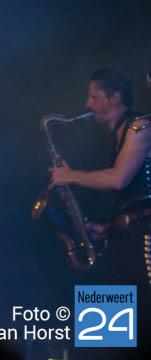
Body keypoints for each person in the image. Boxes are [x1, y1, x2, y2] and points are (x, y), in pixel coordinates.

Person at [50, 68, 151, 333]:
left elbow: (119, 179)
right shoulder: (117, 135)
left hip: (144, 240)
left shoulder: (142, 126)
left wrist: (70, 176)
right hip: (124, 239)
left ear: (115, 97)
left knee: (141, 326)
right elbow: (129, 198)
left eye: (94, 96)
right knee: (102, 335)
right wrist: (108, 228)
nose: (88, 104)